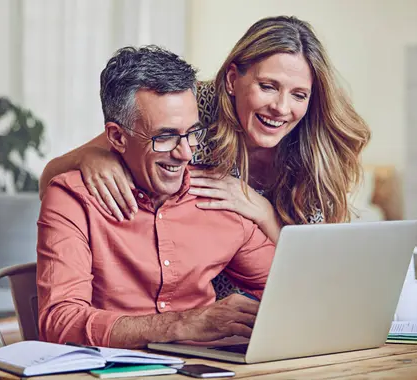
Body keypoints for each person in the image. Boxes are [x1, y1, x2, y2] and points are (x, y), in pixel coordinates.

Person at [38, 16, 371, 298]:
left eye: (299, 94)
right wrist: (95, 157)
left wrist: (263, 212)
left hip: (278, 295)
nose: (281, 108)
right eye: (268, 86)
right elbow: (59, 172)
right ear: (231, 80)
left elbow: (321, 276)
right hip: (199, 304)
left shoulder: (317, 148)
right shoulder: (191, 107)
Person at [37, 45, 276, 349]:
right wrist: (183, 324)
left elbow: (292, 290)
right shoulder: (73, 199)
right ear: (117, 137)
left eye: (192, 133)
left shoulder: (219, 199)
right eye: (165, 137)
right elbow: (60, 323)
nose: (186, 153)